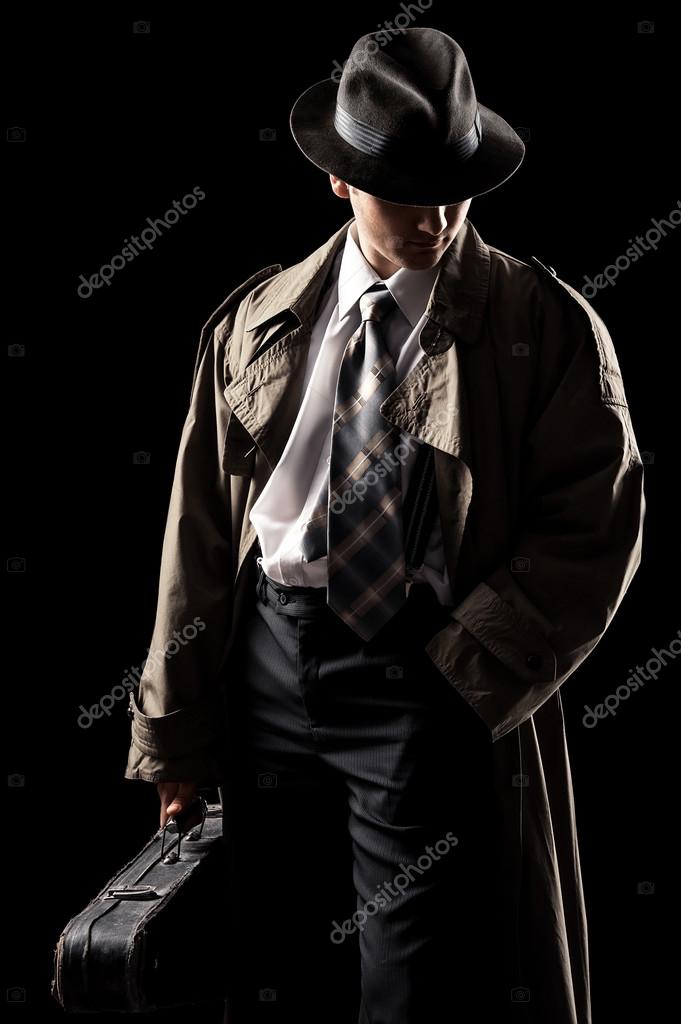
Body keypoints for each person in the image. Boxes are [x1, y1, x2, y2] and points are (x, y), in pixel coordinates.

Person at [125, 27, 645, 1024]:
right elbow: (195, 538)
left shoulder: (542, 324)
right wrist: (175, 735)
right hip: (267, 668)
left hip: (423, 679)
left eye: (457, 187)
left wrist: (464, 669)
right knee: (277, 969)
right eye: (409, 190)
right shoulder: (257, 319)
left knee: (418, 989)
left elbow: (595, 527)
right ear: (338, 183)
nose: (441, 217)